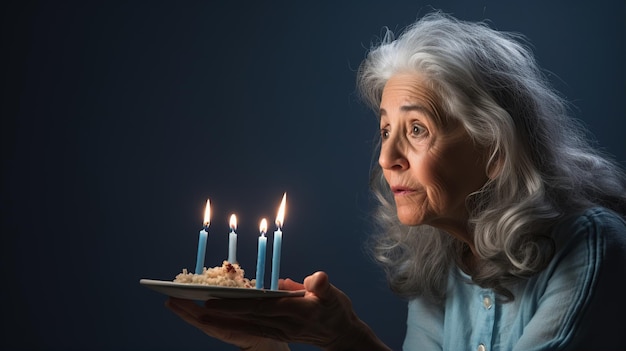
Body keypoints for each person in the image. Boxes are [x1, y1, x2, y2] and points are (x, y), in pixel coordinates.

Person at [165, 11, 626, 350]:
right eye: (385, 130)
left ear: (495, 149)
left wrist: (348, 338)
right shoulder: (442, 257)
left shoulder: (592, 246)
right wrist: (273, 346)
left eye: (417, 130)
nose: (387, 158)